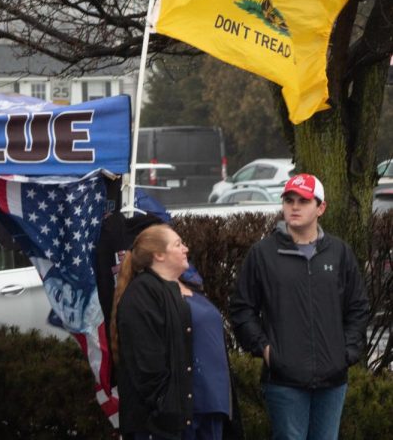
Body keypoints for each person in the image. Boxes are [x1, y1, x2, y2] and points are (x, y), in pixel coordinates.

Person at [230, 173, 369, 440]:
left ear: (321, 208)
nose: (294, 207)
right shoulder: (263, 254)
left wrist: (347, 352)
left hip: (332, 381)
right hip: (284, 381)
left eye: (303, 201)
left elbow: (358, 308)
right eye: (289, 200)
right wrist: (267, 350)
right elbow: (242, 309)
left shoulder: (339, 253)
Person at [112, 223, 239, 440]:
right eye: (178, 244)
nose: (186, 249)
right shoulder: (143, 293)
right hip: (174, 419)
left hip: (210, 409)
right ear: (159, 254)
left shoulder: (189, 287)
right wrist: (166, 407)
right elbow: (146, 362)